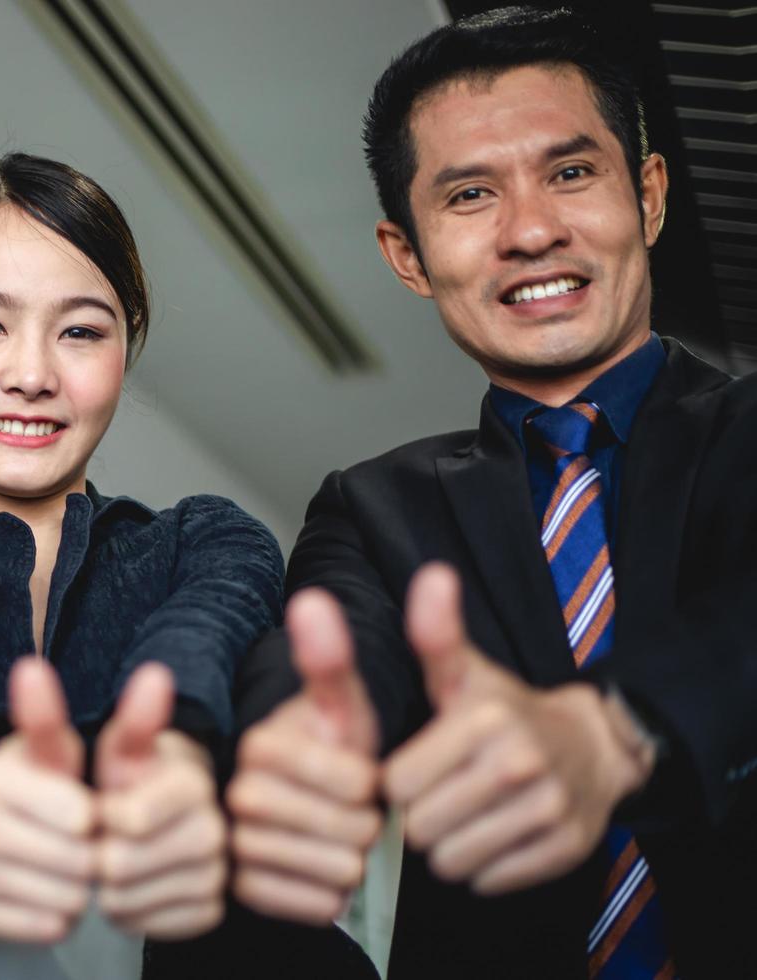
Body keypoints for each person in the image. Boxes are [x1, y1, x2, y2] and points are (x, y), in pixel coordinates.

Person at [228, 7, 757, 978]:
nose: (532, 230)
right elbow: (327, 653)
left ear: (648, 195)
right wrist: (300, 746)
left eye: (570, 172)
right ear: (407, 255)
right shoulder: (372, 506)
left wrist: (620, 729)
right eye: (471, 194)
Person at [0, 153, 376, 979]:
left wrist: (169, 743)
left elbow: (203, 629)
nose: (33, 375)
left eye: (80, 331)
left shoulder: (206, 539)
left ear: (128, 346)